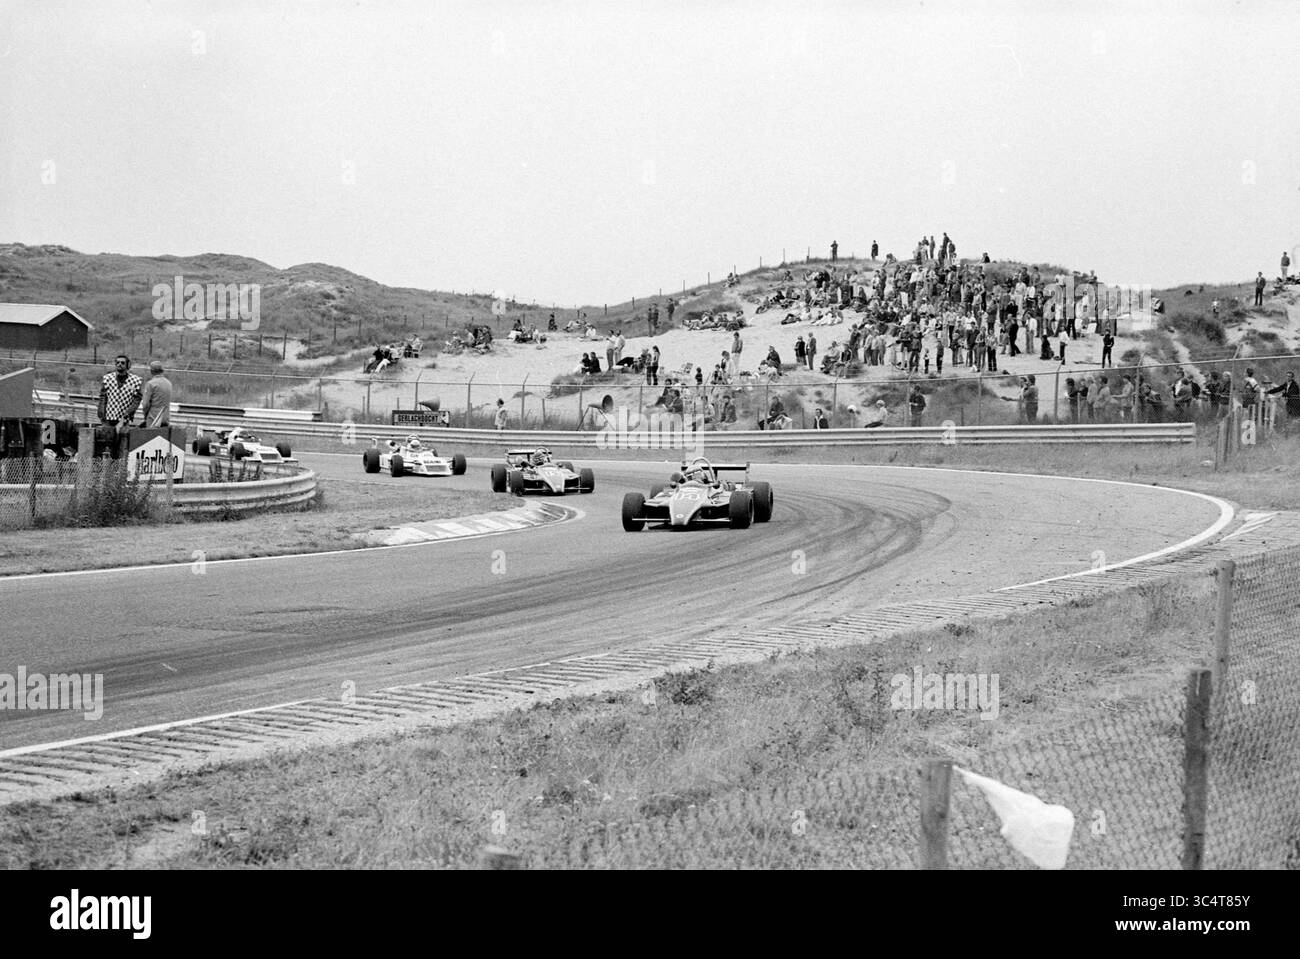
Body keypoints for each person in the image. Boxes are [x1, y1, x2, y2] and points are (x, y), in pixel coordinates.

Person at [97, 354, 143, 457]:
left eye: (122, 363)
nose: (119, 365)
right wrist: (101, 413)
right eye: (117, 363)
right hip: (109, 417)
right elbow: (103, 396)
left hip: (124, 418)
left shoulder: (136, 380)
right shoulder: (107, 378)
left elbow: (137, 399)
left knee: (122, 443)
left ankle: (120, 465)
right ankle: (107, 466)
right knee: (107, 443)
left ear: (127, 365)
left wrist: (129, 413)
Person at [139, 360, 173, 428]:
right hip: (165, 417)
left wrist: (145, 415)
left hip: (153, 418)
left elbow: (145, 404)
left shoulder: (151, 384)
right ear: (162, 370)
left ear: (151, 371)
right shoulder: (169, 383)